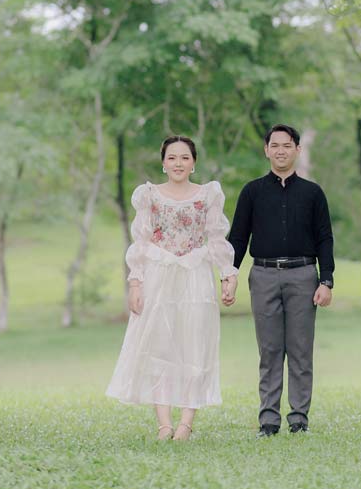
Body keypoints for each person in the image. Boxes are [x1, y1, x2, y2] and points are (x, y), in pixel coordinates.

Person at [105, 135, 238, 440]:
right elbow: (141, 241)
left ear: (194, 163)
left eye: (185, 158)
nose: (178, 163)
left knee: (195, 344)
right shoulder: (150, 195)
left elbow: (216, 238)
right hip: (159, 274)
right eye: (172, 158)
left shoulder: (208, 195)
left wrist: (227, 275)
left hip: (195, 275)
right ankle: (164, 423)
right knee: (159, 346)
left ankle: (186, 423)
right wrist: (135, 282)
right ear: (163, 163)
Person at [226, 123, 334, 436]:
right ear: (266, 150)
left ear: (297, 150)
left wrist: (326, 280)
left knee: (300, 351)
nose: (281, 151)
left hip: (303, 276)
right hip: (263, 275)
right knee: (270, 351)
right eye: (275, 145)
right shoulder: (252, 192)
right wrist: (229, 274)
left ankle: (299, 419)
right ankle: (269, 421)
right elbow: (238, 237)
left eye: (287, 145)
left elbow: (324, 238)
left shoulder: (313, 193)